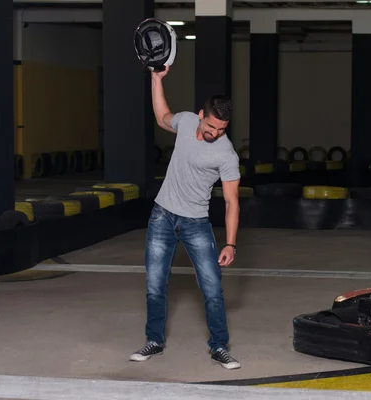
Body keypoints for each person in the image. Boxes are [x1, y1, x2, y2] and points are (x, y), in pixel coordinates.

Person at [129, 65, 241, 370]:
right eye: (212, 127)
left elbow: (232, 202)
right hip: (161, 216)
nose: (215, 133)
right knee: (155, 285)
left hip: (196, 223)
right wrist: (156, 80)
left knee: (212, 289)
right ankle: (154, 340)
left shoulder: (227, 154)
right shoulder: (187, 121)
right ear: (201, 115)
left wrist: (231, 244)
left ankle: (219, 346)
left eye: (222, 129)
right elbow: (162, 115)